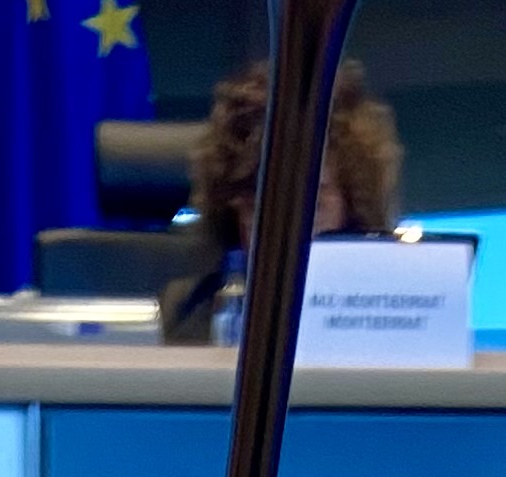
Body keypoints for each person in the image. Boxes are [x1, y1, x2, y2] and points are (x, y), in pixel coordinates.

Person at [159, 58, 402, 342]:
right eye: (259, 208)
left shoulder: (395, 313)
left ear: (352, 207)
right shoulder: (189, 312)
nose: (286, 233)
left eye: (313, 207)